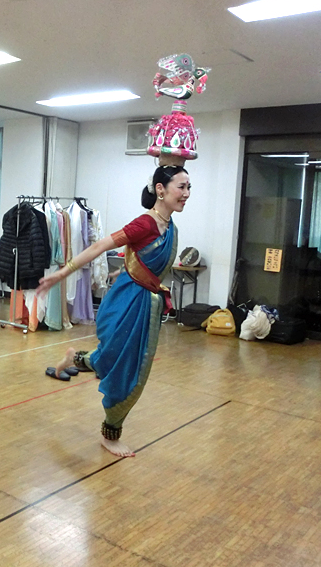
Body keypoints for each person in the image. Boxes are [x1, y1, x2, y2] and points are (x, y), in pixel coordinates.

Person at [36, 165, 190, 458]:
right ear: (161, 189)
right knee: (125, 369)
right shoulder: (144, 224)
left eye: (188, 187)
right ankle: (111, 434)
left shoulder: (170, 227)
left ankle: (75, 359)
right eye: (181, 187)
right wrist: (62, 273)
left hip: (145, 302)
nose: (186, 194)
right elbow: (101, 246)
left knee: (119, 362)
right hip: (128, 304)